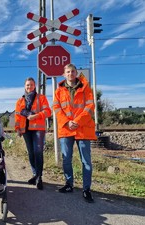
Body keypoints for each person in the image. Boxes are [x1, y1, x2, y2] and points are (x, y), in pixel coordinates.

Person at [53, 63, 97, 203]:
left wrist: (77, 121)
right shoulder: (58, 91)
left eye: (72, 71)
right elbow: (56, 108)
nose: (70, 74)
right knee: (66, 160)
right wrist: (67, 122)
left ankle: (86, 189)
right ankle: (69, 184)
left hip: (82, 128)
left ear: (76, 73)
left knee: (86, 161)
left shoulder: (85, 88)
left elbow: (90, 107)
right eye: (68, 72)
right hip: (66, 129)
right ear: (64, 74)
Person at [15, 77, 51, 190]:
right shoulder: (20, 100)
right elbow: (17, 116)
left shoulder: (41, 98)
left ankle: (39, 177)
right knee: (31, 153)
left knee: (38, 152)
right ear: (24, 86)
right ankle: (35, 174)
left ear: (34, 86)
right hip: (25, 130)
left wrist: (36, 115)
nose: (29, 87)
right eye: (27, 85)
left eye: (31, 85)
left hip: (38, 129)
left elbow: (48, 112)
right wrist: (17, 128)